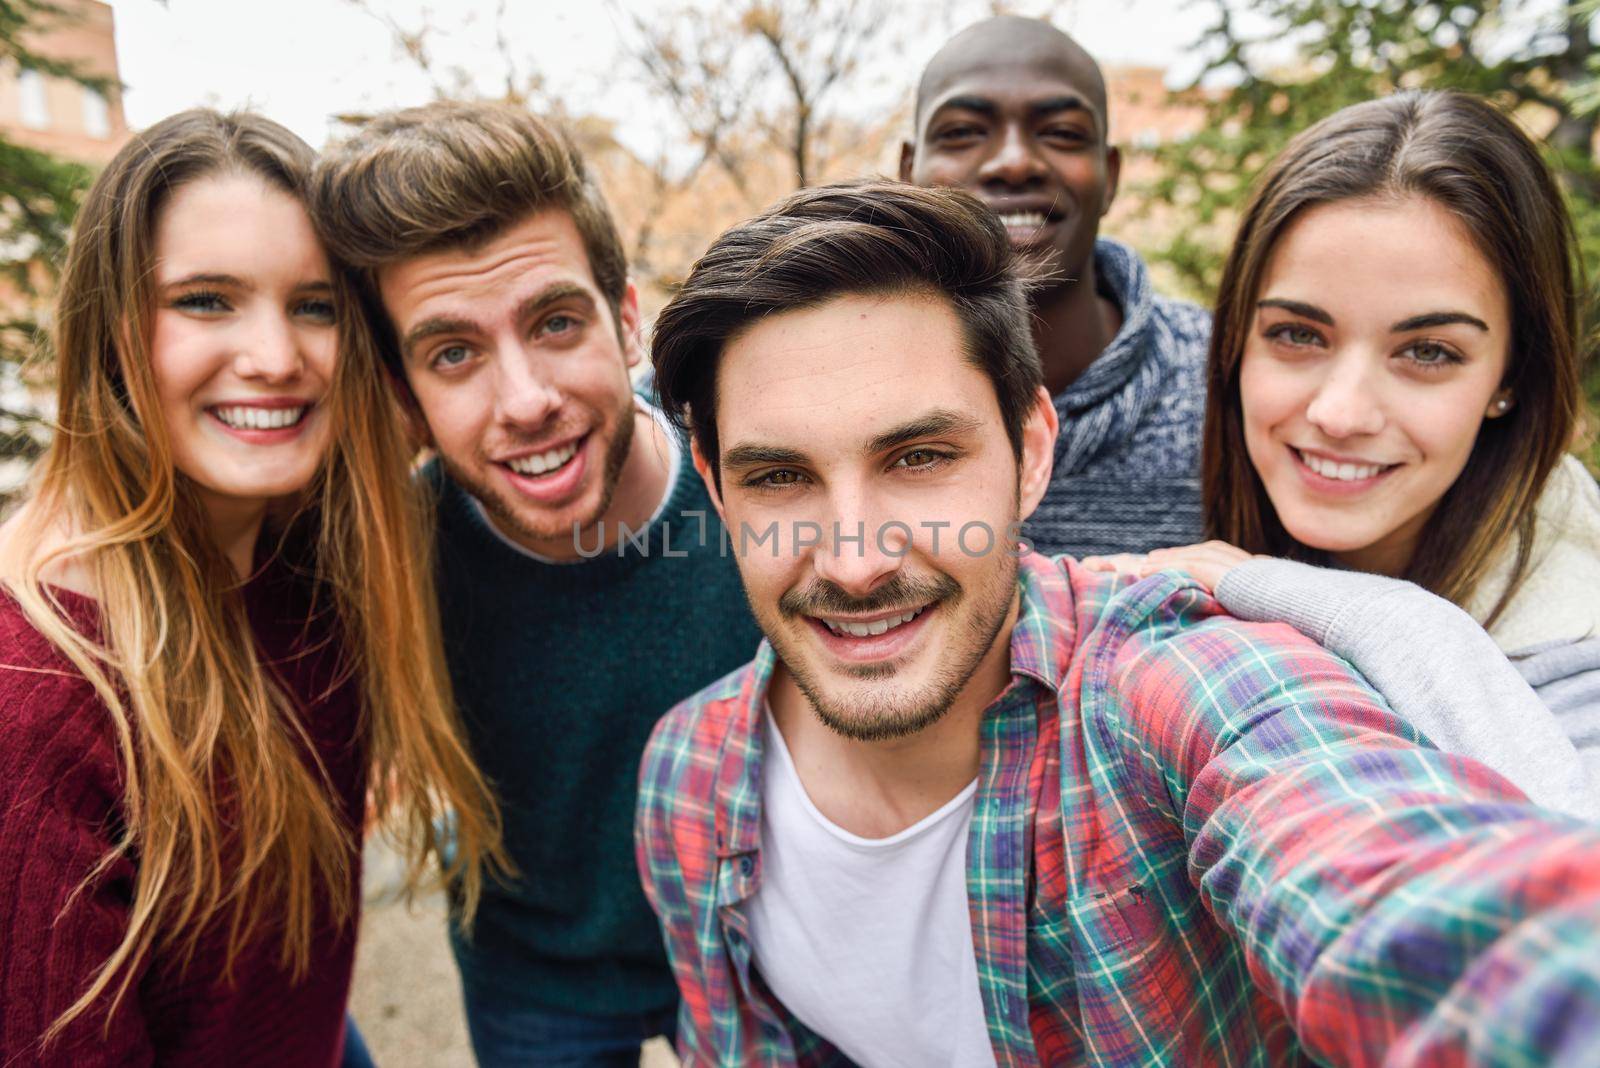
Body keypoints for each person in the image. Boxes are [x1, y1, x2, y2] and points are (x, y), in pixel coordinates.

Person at [637, 178, 1600, 1065]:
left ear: (1032, 453)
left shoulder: (1186, 686)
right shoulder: (688, 778)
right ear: (719, 494)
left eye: (921, 458)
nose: (854, 562)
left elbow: (1413, 897)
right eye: (779, 477)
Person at [0, 110, 502, 1066]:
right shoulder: (36, 696)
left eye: (314, 306)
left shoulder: (312, 556)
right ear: (108, 327)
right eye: (205, 300)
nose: (277, 356)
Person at [309, 101, 762, 1066]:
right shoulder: (389, 564)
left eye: (555, 322)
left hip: (754, 959)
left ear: (627, 318)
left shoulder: (760, 489)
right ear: (405, 396)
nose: (526, 401)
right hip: (533, 982)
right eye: (454, 353)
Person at [1086, 91, 1600, 764]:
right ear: (1236, 340)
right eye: (1297, 334)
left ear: (1511, 377)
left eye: (1427, 352)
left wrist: (1332, 607)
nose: (1340, 413)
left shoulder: (1576, 652)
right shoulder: (1168, 519)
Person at [900, 15, 1210, 558]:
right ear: (909, 174)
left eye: (1063, 133)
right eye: (963, 133)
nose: (1014, 163)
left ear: (1110, 176)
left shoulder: (1227, 380)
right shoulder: (829, 387)